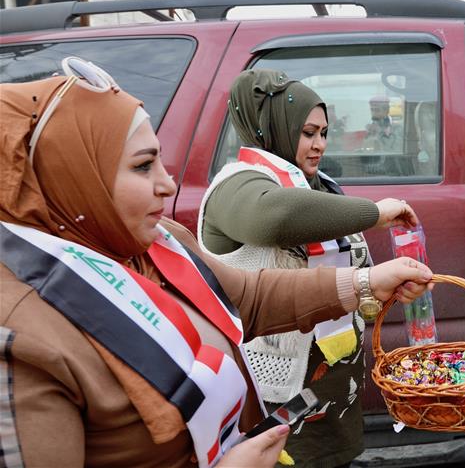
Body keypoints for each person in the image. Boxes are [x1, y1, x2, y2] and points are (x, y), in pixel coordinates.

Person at [0, 64, 433, 468]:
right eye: (142, 165)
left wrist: (367, 282)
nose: (167, 184)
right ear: (75, 178)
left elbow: (247, 296)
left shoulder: (159, 245)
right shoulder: (22, 341)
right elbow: (275, 218)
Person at [198, 70, 418, 468]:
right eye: (307, 133)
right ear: (274, 129)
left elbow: (348, 272)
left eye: (324, 133)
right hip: (278, 397)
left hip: (333, 395)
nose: (318, 145)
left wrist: (379, 285)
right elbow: (275, 218)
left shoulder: (320, 187)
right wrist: (374, 213)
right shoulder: (234, 186)